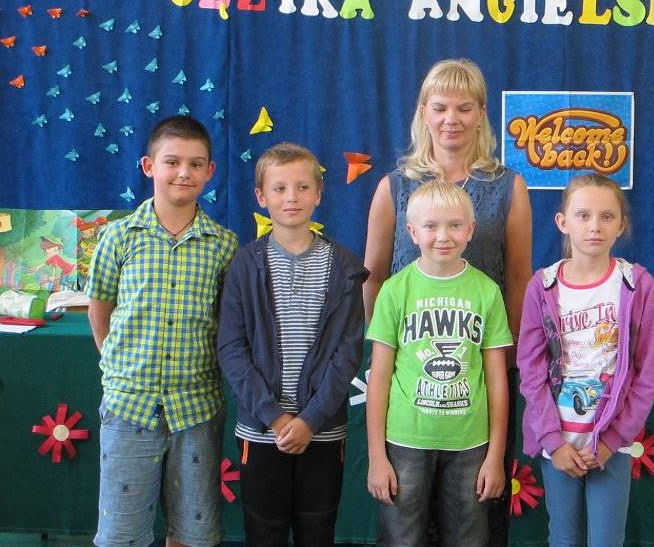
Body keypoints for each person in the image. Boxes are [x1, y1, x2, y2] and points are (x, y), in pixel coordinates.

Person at [363, 57, 532, 544]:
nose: (451, 119)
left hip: (480, 371)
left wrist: (507, 362)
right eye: (440, 108)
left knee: (473, 512)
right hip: (410, 378)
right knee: (407, 511)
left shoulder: (508, 187)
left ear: (481, 113)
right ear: (424, 112)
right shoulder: (393, 187)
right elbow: (374, 275)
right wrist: (386, 350)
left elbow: (518, 278)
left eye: (464, 107)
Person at [86, 115, 238, 547]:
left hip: (196, 407)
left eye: (195, 164)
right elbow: (100, 306)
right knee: (122, 531)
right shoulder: (118, 237)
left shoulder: (224, 245)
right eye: (172, 162)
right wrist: (115, 364)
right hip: (129, 405)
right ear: (149, 166)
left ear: (210, 171)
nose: (183, 172)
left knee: (193, 529)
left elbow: (226, 321)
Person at [218, 142, 367, 547]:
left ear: (318, 194)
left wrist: (309, 419)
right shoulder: (244, 265)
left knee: (317, 531)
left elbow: (348, 352)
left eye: (302, 187)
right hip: (262, 431)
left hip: (322, 431)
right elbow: (231, 349)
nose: (292, 197)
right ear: (261, 197)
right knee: (263, 532)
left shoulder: (344, 266)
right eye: (280, 188)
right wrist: (276, 417)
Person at [517, 173, 654, 547]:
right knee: (564, 537)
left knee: (606, 540)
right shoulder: (542, 286)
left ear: (621, 224)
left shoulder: (636, 285)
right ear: (562, 221)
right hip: (558, 441)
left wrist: (612, 440)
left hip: (610, 442)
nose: (595, 226)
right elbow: (531, 370)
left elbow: (647, 374)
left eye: (607, 216)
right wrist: (553, 441)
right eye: (583, 215)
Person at [366, 181, 512, 547]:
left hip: (470, 442)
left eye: (454, 225)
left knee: (469, 538)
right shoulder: (394, 291)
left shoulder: (486, 292)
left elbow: (497, 381)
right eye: (430, 226)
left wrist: (496, 456)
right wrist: (376, 457)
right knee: (401, 538)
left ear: (471, 230)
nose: (443, 236)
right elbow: (378, 379)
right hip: (404, 439)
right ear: (412, 232)